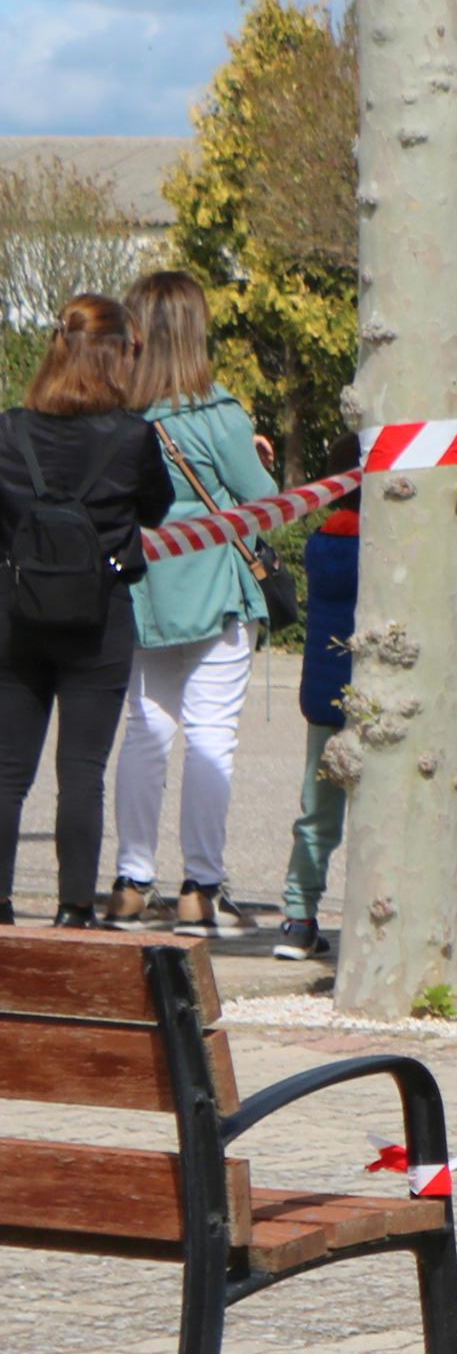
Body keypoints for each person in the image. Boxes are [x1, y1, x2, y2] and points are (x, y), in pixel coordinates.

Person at [111, 269, 276, 933]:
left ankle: (130, 880)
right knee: (212, 735)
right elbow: (265, 502)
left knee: (145, 732)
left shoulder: (119, 415)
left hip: (142, 590)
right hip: (215, 589)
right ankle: (200, 888)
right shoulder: (219, 413)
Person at [0, 297, 172, 925]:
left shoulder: (9, 429)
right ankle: (74, 909)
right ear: (117, 354)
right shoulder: (133, 435)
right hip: (99, 616)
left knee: (7, 770)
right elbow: (154, 510)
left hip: (15, 614)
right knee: (81, 771)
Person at [270, 478, 356, 964]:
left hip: (325, 695)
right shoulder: (389, 544)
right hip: (377, 695)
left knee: (317, 813)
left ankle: (298, 917)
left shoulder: (322, 544)